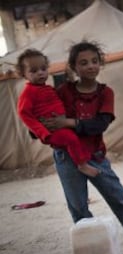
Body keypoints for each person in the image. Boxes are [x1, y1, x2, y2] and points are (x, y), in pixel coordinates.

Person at [42, 40, 123, 242]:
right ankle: (92, 243)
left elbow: (99, 125)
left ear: (100, 64)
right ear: (74, 67)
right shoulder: (63, 91)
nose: (90, 66)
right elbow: (50, 117)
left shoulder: (105, 93)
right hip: (67, 156)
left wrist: (67, 122)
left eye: (94, 61)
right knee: (77, 204)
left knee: (118, 195)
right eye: (83, 63)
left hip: (94, 155)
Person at [16, 49, 99, 177]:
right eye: (34, 71)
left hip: (61, 125)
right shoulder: (28, 92)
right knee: (70, 139)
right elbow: (24, 114)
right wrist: (42, 132)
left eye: (43, 69)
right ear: (24, 75)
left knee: (76, 137)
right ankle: (82, 165)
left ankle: (83, 159)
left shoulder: (47, 88)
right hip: (51, 131)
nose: (40, 73)